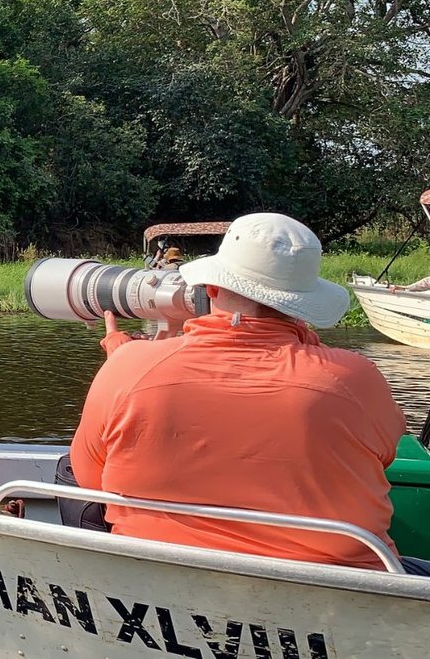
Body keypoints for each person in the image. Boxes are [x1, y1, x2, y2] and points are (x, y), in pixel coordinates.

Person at [71, 213, 414, 571]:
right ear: (304, 303)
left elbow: (90, 480)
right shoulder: (355, 378)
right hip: (341, 591)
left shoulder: (129, 368)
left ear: (212, 288)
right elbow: (383, 453)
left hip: (164, 587)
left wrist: (124, 363)